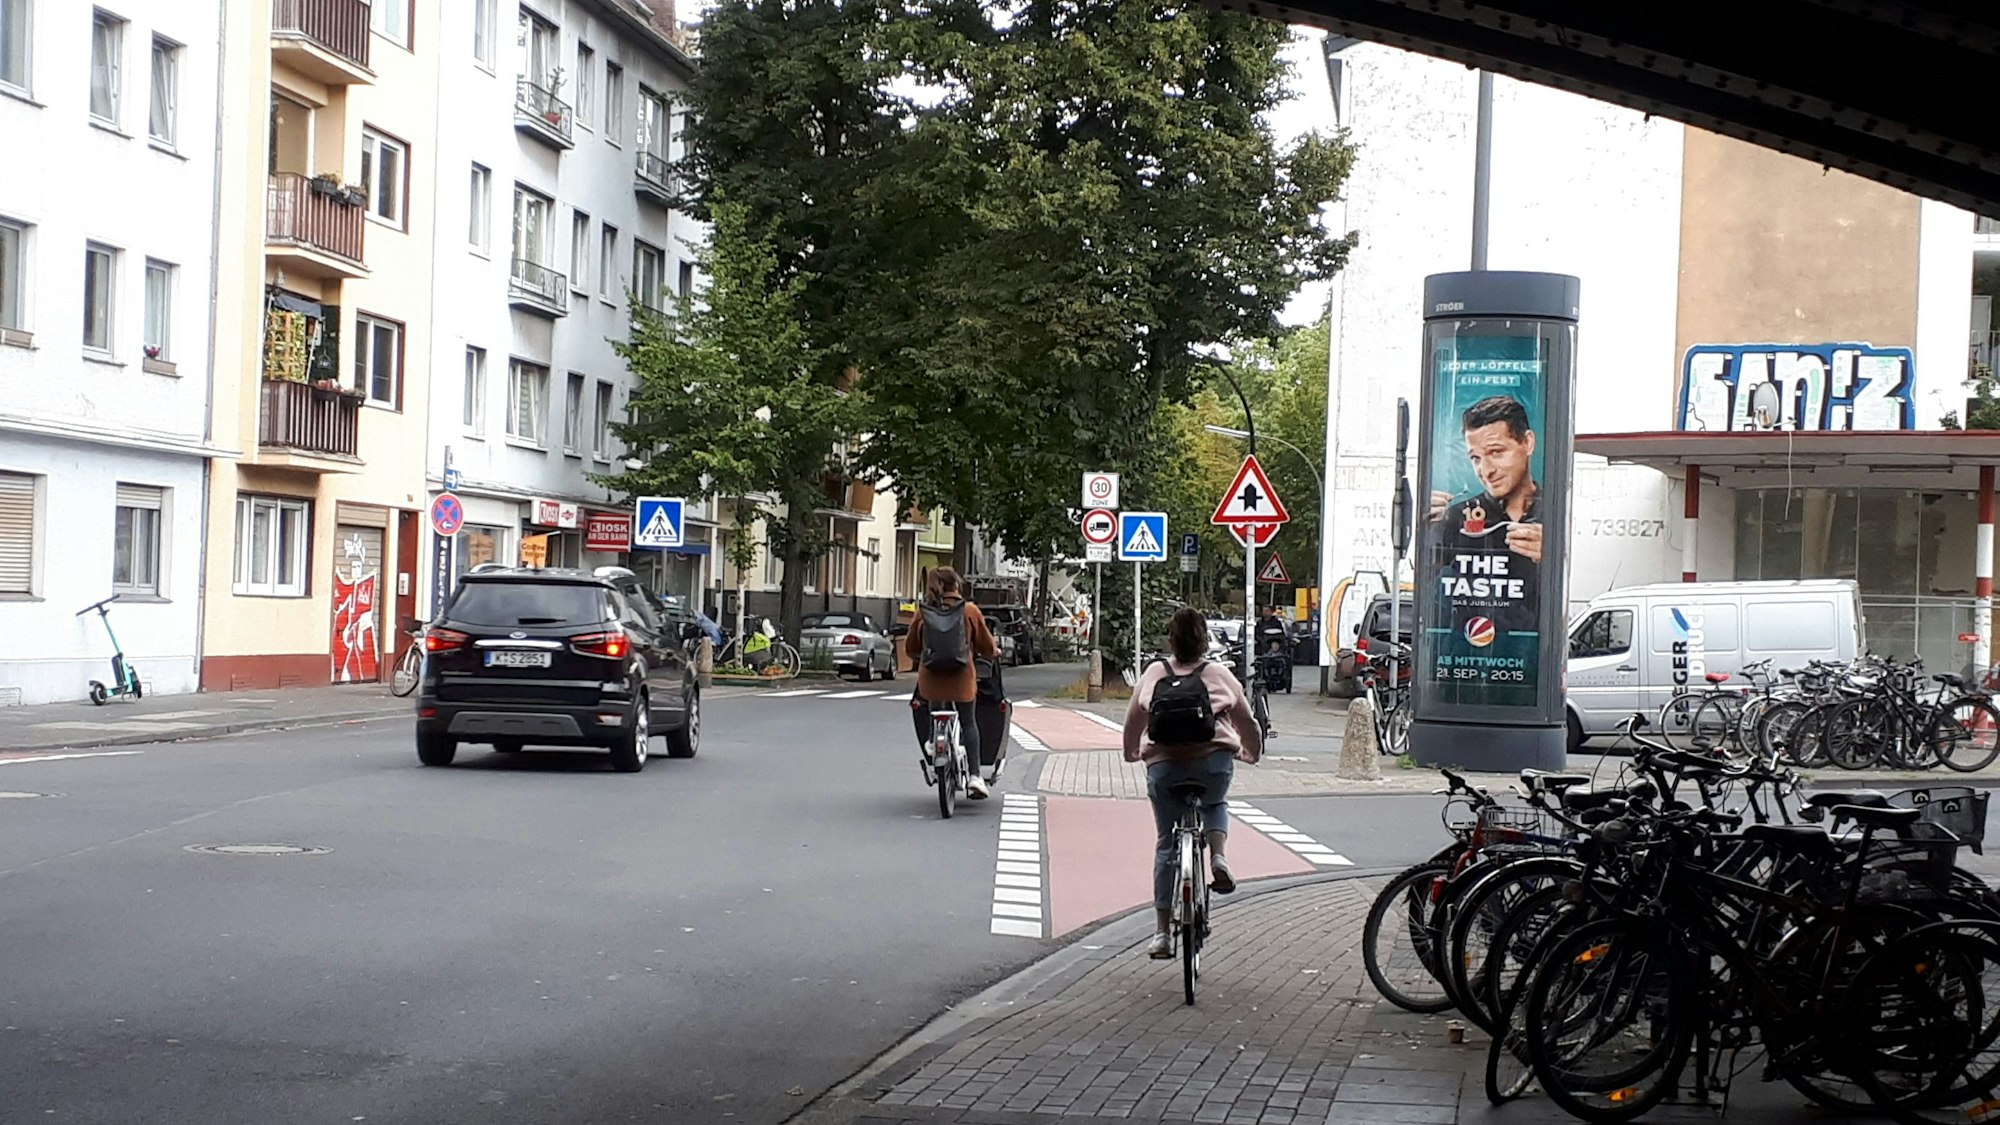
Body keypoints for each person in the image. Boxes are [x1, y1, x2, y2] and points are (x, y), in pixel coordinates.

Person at [1121, 607, 1263, 960]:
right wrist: (1251, 752)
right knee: (1215, 804)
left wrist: (1131, 753)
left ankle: (1161, 934)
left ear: (1171, 639)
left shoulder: (1155, 672)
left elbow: (1133, 720)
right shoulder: (1218, 673)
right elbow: (1247, 720)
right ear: (1205, 641)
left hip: (1164, 767)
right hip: (1212, 763)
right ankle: (1218, 858)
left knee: (1166, 843)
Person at [1427, 394, 1542, 633]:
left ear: (1528, 443)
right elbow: (1424, 588)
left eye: (1497, 452)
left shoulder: (1553, 514)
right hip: (1469, 656)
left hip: (1532, 656)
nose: (1486, 471)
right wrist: (1427, 531)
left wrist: (1550, 559)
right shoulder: (1458, 517)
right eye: (1475, 458)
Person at [905, 567, 1001, 798]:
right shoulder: (969, 611)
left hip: (931, 680)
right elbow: (986, 646)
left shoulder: (923, 612)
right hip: (961, 679)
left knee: (935, 708)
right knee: (968, 722)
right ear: (956, 586)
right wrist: (994, 651)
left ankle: (932, 740)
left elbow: (910, 648)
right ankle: (976, 777)